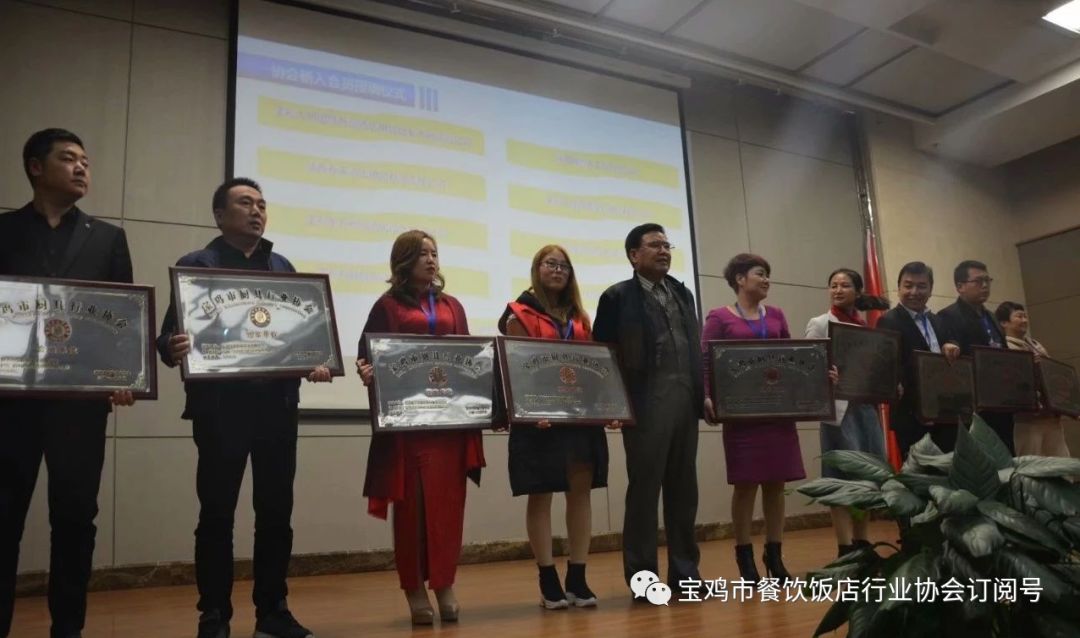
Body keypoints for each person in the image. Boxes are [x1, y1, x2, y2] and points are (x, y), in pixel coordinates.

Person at [157, 177, 330, 638]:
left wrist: (316, 359)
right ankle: (214, 614)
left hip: (277, 407)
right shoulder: (197, 266)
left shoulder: (282, 266)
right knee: (217, 514)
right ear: (219, 215)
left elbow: (301, 335)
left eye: (262, 204)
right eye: (246, 203)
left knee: (276, 513)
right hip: (220, 409)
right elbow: (167, 336)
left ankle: (272, 612)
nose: (257, 211)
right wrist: (171, 346)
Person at [0, 128, 135, 638]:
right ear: (36, 167)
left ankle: (68, 629)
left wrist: (126, 375)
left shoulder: (108, 238)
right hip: (9, 403)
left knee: (76, 521)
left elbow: (124, 319)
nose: (81, 168)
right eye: (68, 158)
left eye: (86, 161)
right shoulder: (4, 231)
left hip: (80, 406)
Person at [356, 230, 485, 625]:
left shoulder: (452, 305)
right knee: (412, 510)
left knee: (448, 509)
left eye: (435, 253)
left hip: (449, 426)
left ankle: (444, 583)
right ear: (404, 260)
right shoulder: (387, 305)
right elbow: (367, 354)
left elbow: (470, 359)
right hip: (410, 428)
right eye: (423, 254)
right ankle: (414, 587)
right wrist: (367, 370)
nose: (431, 260)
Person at [497, 245, 621, 609]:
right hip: (539, 421)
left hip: (579, 421)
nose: (558, 270)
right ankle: (547, 578)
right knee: (541, 494)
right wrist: (527, 410)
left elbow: (596, 369)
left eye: (564, 265)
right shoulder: (518, 313)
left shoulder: (580, 317)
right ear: (537, 268)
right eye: (550, 264)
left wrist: (610, 406)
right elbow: (517, 369)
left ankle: (578, 578)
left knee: (580, 494)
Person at [701, 253, 836, 583]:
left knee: (776, 485)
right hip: (742, 416)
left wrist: (821, 375)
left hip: (778, 412)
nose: (766, 280)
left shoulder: (776, 315)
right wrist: (706, 396)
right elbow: (705, 361)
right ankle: (744, 556)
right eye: (760, 273)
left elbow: (793, 359)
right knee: (745, 485)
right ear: (739, 279)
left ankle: (774, 555)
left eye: (768, 275)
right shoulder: (719, 317)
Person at [592, 223, 704, 596]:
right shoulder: (617, 297)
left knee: (684, 491)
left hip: (685, 400)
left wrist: (704, 394)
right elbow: (603, 356)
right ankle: (643, 580)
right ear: (633, 255)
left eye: (667, 245)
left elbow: (694, 347)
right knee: (644, 492)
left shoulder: (682, 293)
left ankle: (686, 574)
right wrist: (611, 402)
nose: (664, 251)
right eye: (655, 245)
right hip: (644, 405)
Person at [805, 268, 888, 557]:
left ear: (858, 291)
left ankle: (862, 541)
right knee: (839, 478)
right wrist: (825, 376)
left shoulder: (866, 327)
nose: (838, 290)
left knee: (866, 476)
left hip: (866, 409)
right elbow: (807, 369)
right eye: (833, 285)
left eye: (845, 285)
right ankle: (844, 546)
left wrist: (889, 383)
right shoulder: (819, 323)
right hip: (839, 413)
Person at [876, 262, 961, 458]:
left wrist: (952, 344)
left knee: (951, 470)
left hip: (945, 413)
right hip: (912, 416)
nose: (914, 292)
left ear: (930, 289)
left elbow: (952, 340)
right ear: (899, 288)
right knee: (919, 473)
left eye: (921, 286)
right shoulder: (888, 321)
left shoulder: (938, 321)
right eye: (908, 286)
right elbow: (885, 365)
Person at [938, 260, 1015, 454]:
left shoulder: (992, 317)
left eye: (988, 280)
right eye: (979, 281)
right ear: (960, 286)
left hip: (1001, 402)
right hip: (972, 407)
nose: (985, 285)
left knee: (1006, 456)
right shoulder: (947, 316)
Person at [995, 301, 1072, 457]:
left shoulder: (1036, 345)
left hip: (1051, 416)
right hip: (1027, 419)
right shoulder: (1004, 348)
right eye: (1019, 316)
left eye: (1025, 316)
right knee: (1033, 463)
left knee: (1062, 464)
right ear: (1004, 322)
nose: (1024, 320)